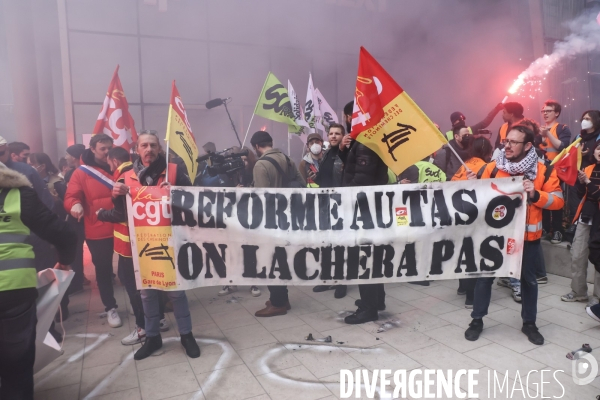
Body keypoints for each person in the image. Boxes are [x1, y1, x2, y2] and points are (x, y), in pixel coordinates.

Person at [464, 125, 564, 345]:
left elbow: (558, 201)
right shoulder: (491, 168)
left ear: (528, 145)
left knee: (529, 281)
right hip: (494, 237)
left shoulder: (544, 170)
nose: (506, 146)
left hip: (528, 240)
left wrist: (535, 194)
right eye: (506, 141)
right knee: (484, 278)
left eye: (513, 142)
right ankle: (477, 320)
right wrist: (472, 183)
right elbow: (475, 199)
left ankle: (529, 323)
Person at [113, 131, 200, 360]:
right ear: (137, 149)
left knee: (176, 293)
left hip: (171, 241)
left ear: (160, 148)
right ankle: (152, 337)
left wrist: (178, 194)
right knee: (147, 294)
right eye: (144, 145)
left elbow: (193, 201)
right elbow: (121, 212)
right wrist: (115, 195)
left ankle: (187, 335)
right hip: (142, 244)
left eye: (153, 145)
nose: (149, 149)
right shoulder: (127, 175)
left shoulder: (173, 170)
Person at [0, 163, 76, 400]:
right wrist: (64, 262)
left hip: (13, 294)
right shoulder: (17, 194)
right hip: (13, 293)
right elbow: (63, 233)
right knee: (16, 367)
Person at [63, 133, 122, 328]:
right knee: (103, 269)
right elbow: (71, 196)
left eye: (109, 148)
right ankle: (110, 307)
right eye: (102, 148)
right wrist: (75, 205)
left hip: (123, 225)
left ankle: (139, 301)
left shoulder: (120, 166)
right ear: (93, 149)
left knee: (129, 268)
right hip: (97, 227)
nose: (106, 152)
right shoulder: (81, 173)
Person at [340, 102, 390, 324]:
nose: (349, 119)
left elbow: (361, 179)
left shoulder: (365, 142)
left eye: (351, 116)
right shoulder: (367, 139)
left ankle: (369, 308)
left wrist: (346, 199)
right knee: (372, 256)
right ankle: (376, 300)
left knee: (364, 258)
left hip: (363, 210)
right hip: (371, 208)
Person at [96, 147, 147, 345]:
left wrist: (102, 214)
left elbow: (122, 214)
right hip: (143, 239)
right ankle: (157, 319)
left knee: (132, 284)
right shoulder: (138, 173)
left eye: (108, 162)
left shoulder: (122, 179)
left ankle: (142, 327)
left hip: (128, 244)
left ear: (114, 161)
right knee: (148, 282)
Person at [252, 130, 305, 317]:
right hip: (288, 218)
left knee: (270, 261)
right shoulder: (288, 159)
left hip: (271, 221)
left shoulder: (261, 165)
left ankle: (278, 303)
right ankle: (283, 298)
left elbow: (262, 197)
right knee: (281, 259)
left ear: (257, 147)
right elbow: (302, 184)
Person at [450, 136, 492, 308]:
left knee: (462, 251)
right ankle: (470, 296)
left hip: (457, 214)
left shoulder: (464, 165)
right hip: (475, 217)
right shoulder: (485, 167)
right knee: (474, 254)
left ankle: (462, 286)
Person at [218, 146, 261, 298]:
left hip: (249, 218)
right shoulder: (228, 175)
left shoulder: (254, 173)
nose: (243, 163)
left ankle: (253, 282)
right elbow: (219, 194)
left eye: (245, 160)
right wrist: (232, 191)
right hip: (232, 219)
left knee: (250, 250)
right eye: (239, 160)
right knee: (231, 251)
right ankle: (230, 282)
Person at [312, 123, 348, 298]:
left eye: (337, 133)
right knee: (325, 243)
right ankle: (326, 277)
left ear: (343, 136)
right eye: (331, 133)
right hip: (324, 204)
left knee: (339, 244)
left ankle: (341, 281)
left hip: (339, 205)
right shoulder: (326, 154)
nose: (333, 136)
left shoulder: (346, 155)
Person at [563, 142, 600, 307]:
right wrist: (580, 182)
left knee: (599, 258)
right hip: (585, 216)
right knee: (577, 255)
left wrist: (588, 182)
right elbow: (581, 193)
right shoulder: (589, 168)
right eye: (599, 148)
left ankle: (597, 298)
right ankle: (579, 292)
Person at [537, 100, 572, 244]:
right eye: (543, 111)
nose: (545, 114)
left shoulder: (562, 128)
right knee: (543, 198)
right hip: (542, 170)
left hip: (557, 170)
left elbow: (562, 147)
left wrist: (548, 134)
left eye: (548, 111)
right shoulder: (539, 130)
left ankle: (557, 230)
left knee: (556, 199)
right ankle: (545, 229)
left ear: (556, 113)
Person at [63, 144, 89, 290]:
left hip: (79, 216)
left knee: (77, 250)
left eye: (67, 154)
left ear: (73, 157)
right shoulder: (72, 172)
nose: (65, 157)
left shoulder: (76, 173)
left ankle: (77, 281)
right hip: (79, 214)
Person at [0, 139, 54, 209]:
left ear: (7, 151)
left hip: (25, 216)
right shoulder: (27, 170)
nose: (27, 158)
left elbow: (45, 199)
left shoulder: (27, 170)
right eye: (25, 155)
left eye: (1, 153)